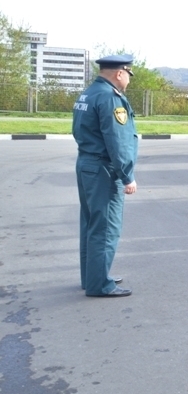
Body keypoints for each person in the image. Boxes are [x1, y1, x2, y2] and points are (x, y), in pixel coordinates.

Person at [72, 54, 138, 297]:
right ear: (120, 73)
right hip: (103, 169)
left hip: (87, 164)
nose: (128, 80)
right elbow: (117, 142)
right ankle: (99, 284)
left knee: (91, 223)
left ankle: (91, 276)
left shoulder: (88, 93)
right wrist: (127, 176)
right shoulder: (111, 99)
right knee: (106, 227)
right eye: (128, 74)